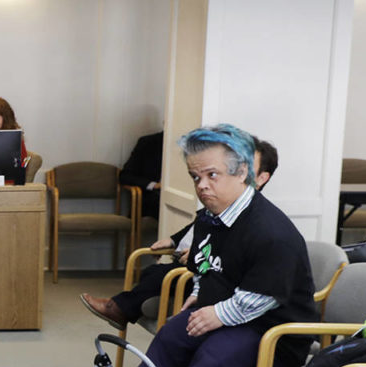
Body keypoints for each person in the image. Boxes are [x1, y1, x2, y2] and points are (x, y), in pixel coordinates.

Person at [133, 124, 317, 367]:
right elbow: (206, 265)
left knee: (218, 349)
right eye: (196, 177)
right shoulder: (210, 218)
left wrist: (216, 313)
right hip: (234, 313)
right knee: (176, 331)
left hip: (275, 331)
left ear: (242, 172)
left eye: (212, 175)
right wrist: (202, 294)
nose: (201, 186)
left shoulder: (272, 233)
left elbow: (263, 298)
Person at [81, 137, 279, 330]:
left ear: (262, 178)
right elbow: (199, 225)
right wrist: (174, 240)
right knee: (151, 272)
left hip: (209, 281)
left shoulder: (256, 218)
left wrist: (198, 256)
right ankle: (123, 309)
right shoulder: (222, 200)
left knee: (160, 275)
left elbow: (227, 255)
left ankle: (119, 308)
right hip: (190, 265)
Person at [119, 130, 164, 219]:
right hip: (153, 196)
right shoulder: (148, 142)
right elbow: (125, 176)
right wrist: (154, 185)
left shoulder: (192, 144)